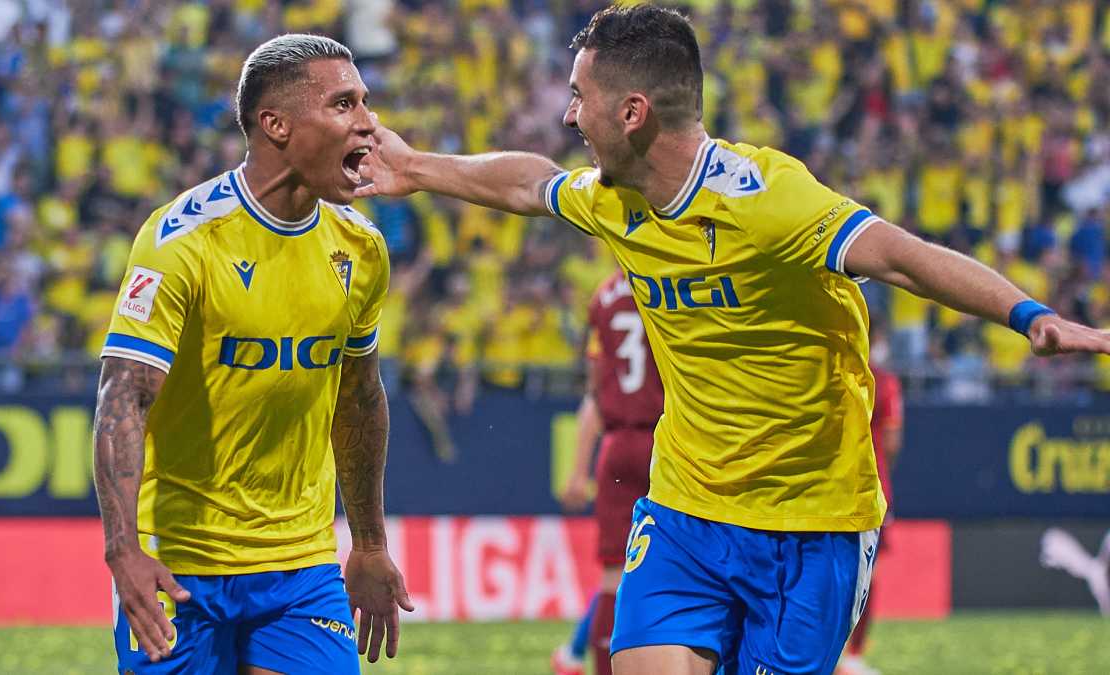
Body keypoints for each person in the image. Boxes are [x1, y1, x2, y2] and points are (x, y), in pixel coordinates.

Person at [357, 5, 1110, 674]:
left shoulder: (771, 200)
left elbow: (905, 257)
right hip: (685, 510)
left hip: (811, 524)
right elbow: (529, 183)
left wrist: (1029, 315)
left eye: (580, 97)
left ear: (633, 112)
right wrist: (417, 167)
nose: (567, 116)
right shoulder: (616, 199)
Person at [93, 34, 412, 674]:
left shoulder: (361, 247)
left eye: (365, 103)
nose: (368, 123)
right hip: (183, 564)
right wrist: (123, 551)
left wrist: (370, 543)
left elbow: (358, 398)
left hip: (302, 564)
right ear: (277, 125)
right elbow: (123, 395)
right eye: (344, 104)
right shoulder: (180, 239)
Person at [554, 269, 665, 675]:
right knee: (690, 570)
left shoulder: (602, 297)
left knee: (613, 576)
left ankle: (590, 660)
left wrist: (577, 472)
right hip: (669, 443)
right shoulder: (671, 281)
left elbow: (595, 394)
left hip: (617, 446)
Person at [839, 325, 904, 675]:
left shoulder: (832, 370)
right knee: (868, 573)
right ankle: (854, 654)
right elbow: (892, 441)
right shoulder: (885, 381)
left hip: (827, 485)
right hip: (871, 487)